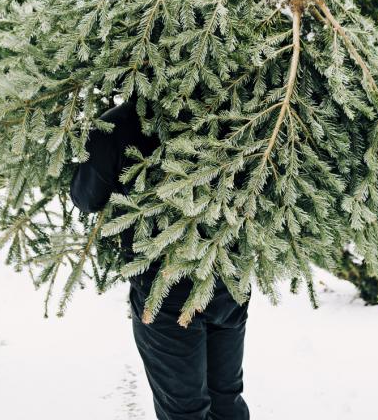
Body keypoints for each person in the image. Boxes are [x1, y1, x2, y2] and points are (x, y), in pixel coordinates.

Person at [70, 100, 250, 420]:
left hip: (163, 290)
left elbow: (87, 199)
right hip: (227, 273)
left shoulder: (116, 125)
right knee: (226, 399)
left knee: (184, 410)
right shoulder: (232, 105)